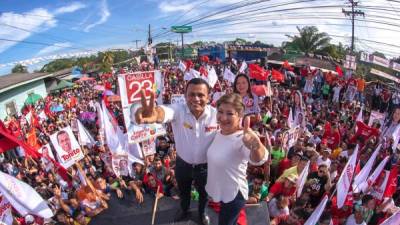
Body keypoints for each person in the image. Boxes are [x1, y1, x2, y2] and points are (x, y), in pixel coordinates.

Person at [135, 78, 218, 224]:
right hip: (182, 165)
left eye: (200, 95)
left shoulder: (216, 115)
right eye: (191, 94)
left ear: (208, 96)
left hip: (205, 167)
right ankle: (184, 209)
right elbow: (164, 112)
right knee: (184, 192)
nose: (196, 99)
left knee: (204, 194)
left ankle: (202, 212)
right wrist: (155, 114)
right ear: (185, 96)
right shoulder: (178, 110)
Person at [205, 93, 268, 225]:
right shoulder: (217, 132)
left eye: (230, 113)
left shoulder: (242, 138)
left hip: (234, 195)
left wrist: (256, 147)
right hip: (220, 191)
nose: (223, 117)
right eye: (220, 112)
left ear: (240, 116)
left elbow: (258, 159)